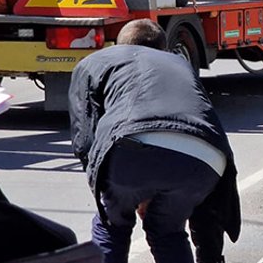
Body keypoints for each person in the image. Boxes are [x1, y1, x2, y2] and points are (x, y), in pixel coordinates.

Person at [68, 19, 240, 263]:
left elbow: (84, 138)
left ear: (119, 45)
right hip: (207, 159)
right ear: (164, 48)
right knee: (167, 231)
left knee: (112, 225)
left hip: (130, 149)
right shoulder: (179, 63)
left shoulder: (93, 63)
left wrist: (109, 189)